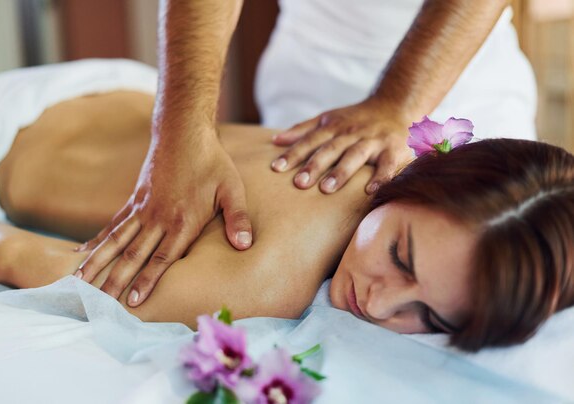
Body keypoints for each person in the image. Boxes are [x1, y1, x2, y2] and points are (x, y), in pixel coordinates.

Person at [0, 61, 570, 352]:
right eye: (400, 256)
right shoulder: (262, 280)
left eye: (431, 319)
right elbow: (15, 256)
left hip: (122, 90)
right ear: (417, 180)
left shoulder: (375, 147)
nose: (379, 304)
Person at [77, 0, 538, 309]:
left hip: (460, 81)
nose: (378, 304)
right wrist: (179, 132)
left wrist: (399, 102)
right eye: (398, 256)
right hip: (304, 87)